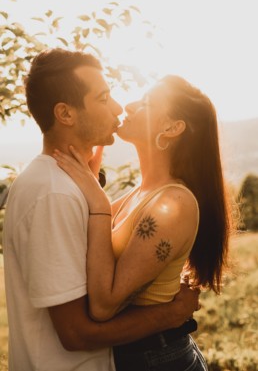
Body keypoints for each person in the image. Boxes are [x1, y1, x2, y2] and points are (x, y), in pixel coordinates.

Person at [3, 48, 200, 371]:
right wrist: (171, 314)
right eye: (104, 97)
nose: (120, 107)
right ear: (65, 114)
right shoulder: (55, 193)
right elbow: (76, 333)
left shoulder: (64, 185)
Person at [53, 74, 232, 371]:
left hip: (160, 360)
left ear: (172, 128)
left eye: (146, 103)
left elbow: (104, 305)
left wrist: (98, 201)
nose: (129, 106)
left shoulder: (173, 204)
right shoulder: (142, 192)